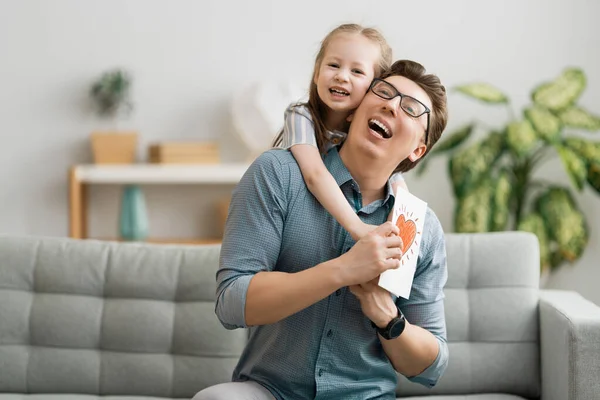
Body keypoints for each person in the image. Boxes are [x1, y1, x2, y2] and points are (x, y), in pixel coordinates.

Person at [193, 59, 449, 400]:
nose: (390, 104)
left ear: (418, 150)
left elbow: (431, 367)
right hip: (270, 391)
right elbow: (231, 302)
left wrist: (388, 317)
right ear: (354, 111)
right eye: (384, 92)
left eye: (412, 108)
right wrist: (343, 270)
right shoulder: (278, 174)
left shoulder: (422, 228)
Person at [273, 24, 409, 242]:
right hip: (297, 214)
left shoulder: (370, 132)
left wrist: (397, 232)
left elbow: (395, 180)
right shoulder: (300, 116)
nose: (342, 76)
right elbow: (314, 175)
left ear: (376, 86)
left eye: (357, 71)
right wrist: (358, 228)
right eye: (334, 65)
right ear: (317, 72)